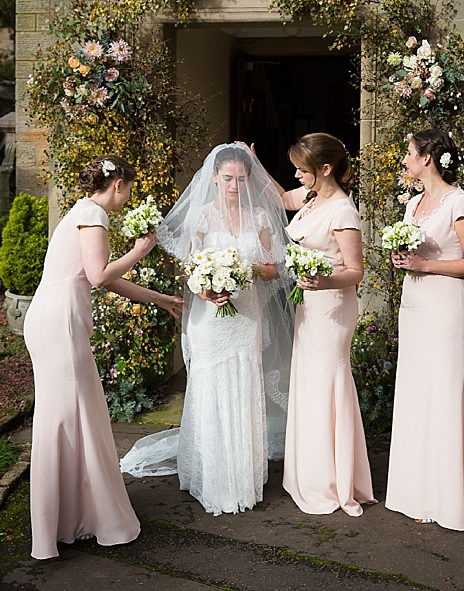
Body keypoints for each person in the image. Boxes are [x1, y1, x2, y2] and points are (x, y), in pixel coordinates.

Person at [120, 144, 294, 516]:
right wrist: (204, 287)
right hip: (208, 317)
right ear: (214, 177)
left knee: (243, 384)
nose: (234, 185)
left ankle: (241, 477)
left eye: (241, 179)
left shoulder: (261, 217)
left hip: (245, 316)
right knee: (209, 385)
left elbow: (272, 269)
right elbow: (189, 266)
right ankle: (211, 476)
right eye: (227, 178)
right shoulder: (200, 216)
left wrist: (243, 270)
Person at [24, 156, 182, 560]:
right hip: (60, 323)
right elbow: (99, 275)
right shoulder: (93, 215)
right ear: (117, 185)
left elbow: (105, 278)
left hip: (51, 318)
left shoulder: (82, 211)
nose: (128, 198)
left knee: (75, 414)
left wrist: (159, 298)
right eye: (128, 189)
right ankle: (67, 522)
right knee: (65, 417)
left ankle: (74, 515)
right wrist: (141, 249)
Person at [247, 133, 376, 516]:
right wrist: (255, 167)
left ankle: (333, 482)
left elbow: (355, 271)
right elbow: (280, 198)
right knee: (308, 384)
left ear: (326, 168)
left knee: (327, 384)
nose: (297, 176)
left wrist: (323, 281)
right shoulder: (309, 197)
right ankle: (307, 475)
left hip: (333, 306)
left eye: (304, 170)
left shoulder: (342, 211)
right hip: (309, 305)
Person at [385, 128, 464, 531]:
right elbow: (417, 253)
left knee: (444, 393)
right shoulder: (412, 203)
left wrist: (425, 265)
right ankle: (417, 493)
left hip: (444, 306)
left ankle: (449, 500)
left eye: (409, 153)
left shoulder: (459, 203)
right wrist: (403, 257)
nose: (406, 160)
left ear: (427, 158)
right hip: (414, 305)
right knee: (416, 393)